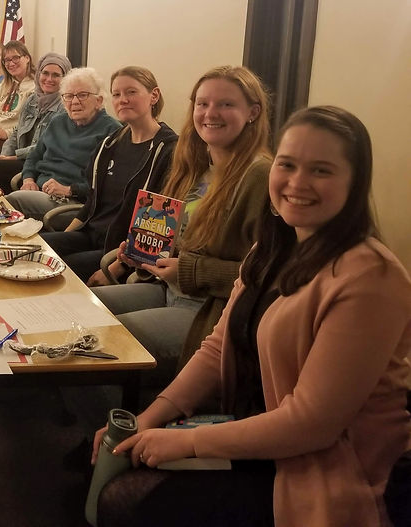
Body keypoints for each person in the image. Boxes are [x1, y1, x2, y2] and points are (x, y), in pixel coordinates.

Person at [93, 106, 411, 527]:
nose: (297, 183)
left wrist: (188, 443)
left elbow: (312, 424)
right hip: (252, 429)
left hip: (324, 466)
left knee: (129, 500)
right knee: (109, 467)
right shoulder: (272, 248)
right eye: (288, 164)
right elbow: (218, 346)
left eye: (321, 170)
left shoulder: (370, 276)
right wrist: (150, 417)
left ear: (354, 183)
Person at [90, 65, 272, 381]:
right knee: (81, 308)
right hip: (165, 288)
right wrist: (141, 252)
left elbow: (271, 274)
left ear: (253, 112)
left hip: (209, 311)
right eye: (202, 104)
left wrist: (188, 270)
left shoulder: (260, 175)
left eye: (226, 104)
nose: (210, 113)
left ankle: (114, 424)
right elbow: (173, 239)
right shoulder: (195, 166)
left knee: (103, 338)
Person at [39, 66, 177, 281]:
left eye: (131, 92)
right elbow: (91, 202)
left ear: (153, 96)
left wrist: (116, 268)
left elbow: (156, 228)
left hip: (121, 252)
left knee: (56, 272)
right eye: (117, 94)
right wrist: (62, 237)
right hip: (89, 235)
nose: (123, 99)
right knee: (36, 249)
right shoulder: (111, 143)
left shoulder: (168, 150)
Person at [6, 67, 121, 220]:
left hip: (72, 203)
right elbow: (35, 156)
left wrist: (69, 190)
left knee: (9, 203)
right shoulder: (58, 121)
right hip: (40, 192)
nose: (74, 101)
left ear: (98, 100)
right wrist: (28, 179)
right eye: (68, 96)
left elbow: (107, 185)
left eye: (82, 95)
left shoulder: (112, 132)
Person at [0, 52, 70, 192]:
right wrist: (5, 155)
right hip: (20, 157)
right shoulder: (32, 100)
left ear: (66, 79)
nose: (49, 79)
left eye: (56, 75)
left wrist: (14, 157)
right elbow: (17, 132)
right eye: (45, 73)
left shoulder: (66, 108)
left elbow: (46, 147)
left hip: (39, 163)